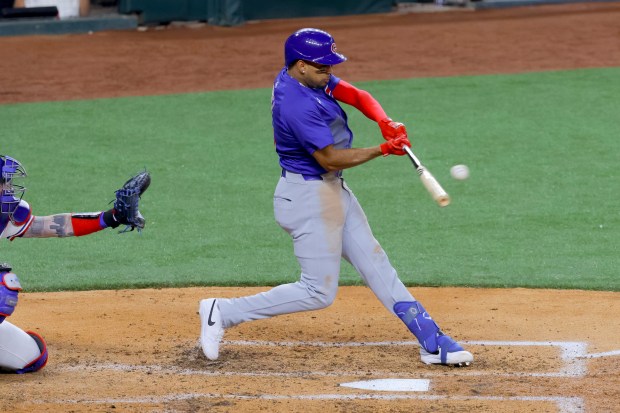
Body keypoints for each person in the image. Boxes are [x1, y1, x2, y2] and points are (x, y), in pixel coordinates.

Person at [199, 28, 473, 367]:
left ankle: (432, 341)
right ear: (300, 66)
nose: (329, 72)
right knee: (317, 292)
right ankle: (222, 312)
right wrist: (383, 150)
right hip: (307, 198)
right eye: (322, 67)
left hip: (330, 191)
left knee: (376, 264)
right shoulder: (296, 104)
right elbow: (328, 159)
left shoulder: (306, 77)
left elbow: (357, 95)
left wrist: (384, 121)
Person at [0, 154, 150, 373]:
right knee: (4, 287)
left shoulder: (5, 215)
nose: (10, 189)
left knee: (32, 356)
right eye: (4, 183)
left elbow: (50, 225)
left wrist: (112, 217)